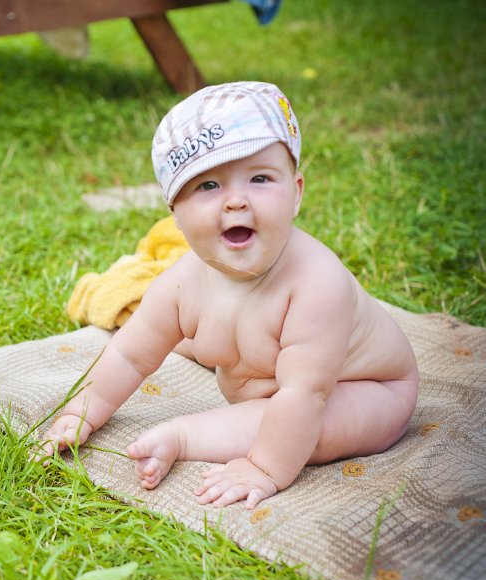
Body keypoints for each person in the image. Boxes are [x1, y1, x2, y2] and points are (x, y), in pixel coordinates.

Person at [42, 81, 418, 509]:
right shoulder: (181, 284)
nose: (236, 200)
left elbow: (303, 396)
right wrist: (81, 413)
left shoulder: (317, 285)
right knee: (213, 365)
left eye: (260, 178)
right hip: (269, 390)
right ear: (175, 215)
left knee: (307, 423)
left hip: (363, 390)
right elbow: (130, 355)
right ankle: (201, 430)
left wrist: (264, 467)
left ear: (295, 193)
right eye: (208, 186)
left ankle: (185, 437)